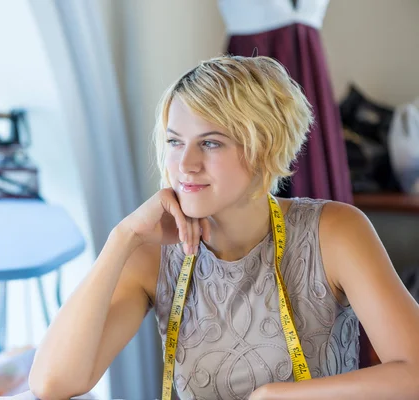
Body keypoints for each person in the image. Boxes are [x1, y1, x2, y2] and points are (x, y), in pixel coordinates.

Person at [28, 55, 419, 400]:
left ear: (264, 146)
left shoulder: (333, 232)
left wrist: (278, 397)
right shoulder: (153, 252)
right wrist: (121, 238)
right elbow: (53, 384)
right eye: (175, 142)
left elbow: (414, 374)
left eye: (211, 143)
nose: (185, 164)